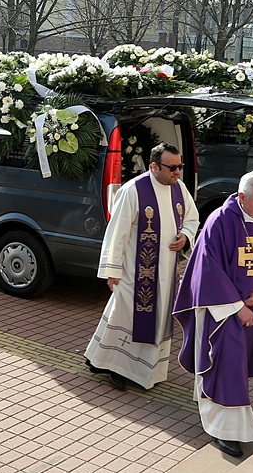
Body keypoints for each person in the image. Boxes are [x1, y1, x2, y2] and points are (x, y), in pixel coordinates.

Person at [173, 170, 253, 458]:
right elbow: (208, 270)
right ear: (241, 197)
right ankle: (223, 430)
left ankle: (219, 413)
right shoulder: (220, 222)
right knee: (223, 365)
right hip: (221, 308)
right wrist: (237, 308)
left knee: (235, 367)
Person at [85, 142, 200, 390]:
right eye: (172, 167)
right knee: (125, 319)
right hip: (134, 274)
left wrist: (186, 236)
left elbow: (192, 218)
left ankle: (132, 368)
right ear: (154, 166)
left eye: (180, 166)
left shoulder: (179, 188)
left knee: (155, 322)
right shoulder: (133, 191)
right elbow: (117, 233)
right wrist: (112, 271)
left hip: (167, 274)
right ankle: (115, 368)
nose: (178, 172)